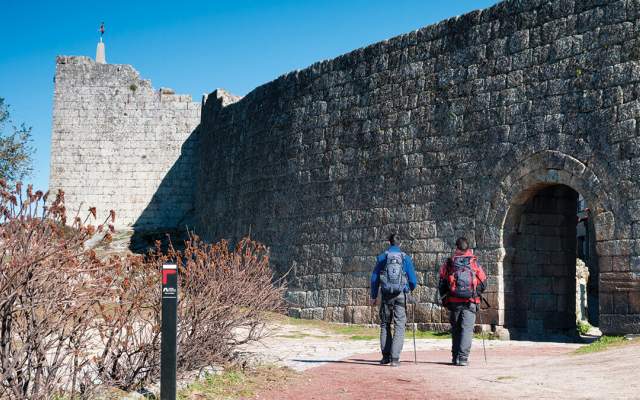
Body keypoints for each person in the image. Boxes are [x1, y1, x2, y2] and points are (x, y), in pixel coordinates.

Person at [370, 233, 417, 367]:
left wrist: (373, 296)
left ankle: (385, 357)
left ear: (389, 243)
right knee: (399, 325)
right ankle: (395, 358)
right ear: (400, 244)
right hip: (400, 295)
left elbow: (374, 279)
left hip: (385, 295)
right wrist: (408, 288)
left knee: (385, 324)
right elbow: (413, 280)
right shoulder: (405, 258)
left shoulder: (382, 258)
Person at [438, 237, 487, 366]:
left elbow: (442, 282)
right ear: (468, 248)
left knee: (456, 329)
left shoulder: (450, 263)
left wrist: (445, 299)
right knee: (467, 329)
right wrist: (476, 293)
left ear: (457, 247)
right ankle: (463, 358)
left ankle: (455, 358)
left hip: (454, 300)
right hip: (470, 300)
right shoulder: (474, 262)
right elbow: (483, 282)